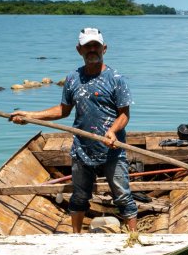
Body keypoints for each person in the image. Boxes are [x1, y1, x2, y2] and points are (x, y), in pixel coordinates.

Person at [11, 27, 137, 233]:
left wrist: (113, 131)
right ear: (79, 50)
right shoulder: (72, 78)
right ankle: (76, 238)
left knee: (123, 197)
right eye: (87, 46)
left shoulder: (116, 79)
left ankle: (134, 238)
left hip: (112, 148)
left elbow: (124, 115)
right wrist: (30, 116)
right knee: (79, 197)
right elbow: (63, 110)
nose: (92, 50)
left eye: (96, 46)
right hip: (82, 149)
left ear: (104, 48)